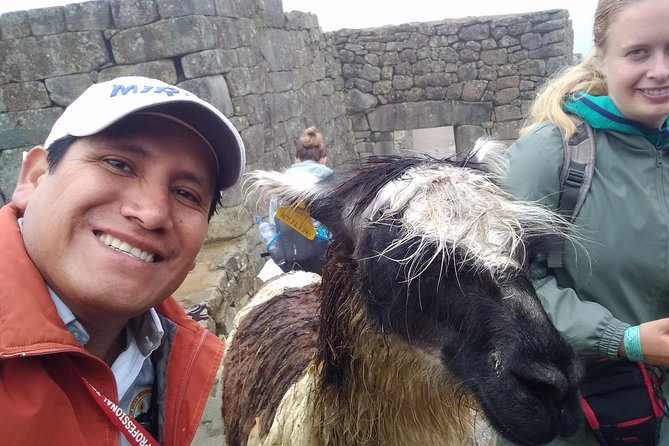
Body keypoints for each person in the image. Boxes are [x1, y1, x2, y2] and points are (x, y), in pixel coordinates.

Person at [0, 76, 245, 445]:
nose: (151, 213)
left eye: (185, 193)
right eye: (119, 164)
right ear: (34, 178)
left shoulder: (179, 360)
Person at [500, 0, 669, 444]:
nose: (660, 70)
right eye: (638, 52)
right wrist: (622, 338)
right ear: (601, 57)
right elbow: (506, 280)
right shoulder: (551, 154)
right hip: (581, 417)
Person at [264, 126, 333, 274]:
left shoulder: (279, 186)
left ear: (296, 158)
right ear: (323, 159)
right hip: (327, 260)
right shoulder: (333, 185)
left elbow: (274, 227)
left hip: (289, 262)